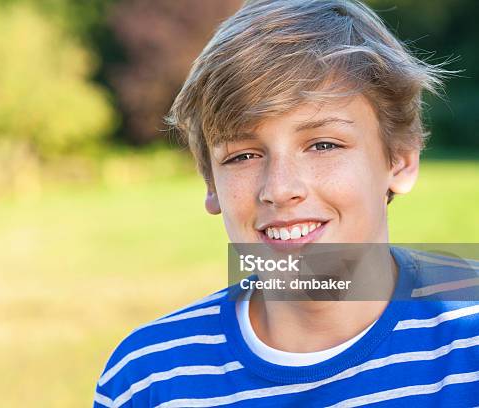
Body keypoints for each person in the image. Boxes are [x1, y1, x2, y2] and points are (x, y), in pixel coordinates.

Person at [94, 0, 479, 406]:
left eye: (323, 144)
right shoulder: (151, 377)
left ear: (400, 159)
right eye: (242, 155)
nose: (279, 188)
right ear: (211, 182)